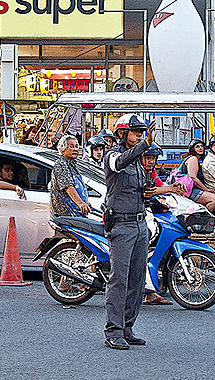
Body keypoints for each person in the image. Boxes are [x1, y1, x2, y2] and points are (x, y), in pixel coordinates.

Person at [102, 114, 154, 350]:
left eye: (142, 133)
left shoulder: (138, 161)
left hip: (139, 223)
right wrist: (145, 145)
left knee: (137, 279)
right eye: (136, 133)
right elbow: (118, 163)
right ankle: (113, 331)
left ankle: (127, 327)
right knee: (119, 280)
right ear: (122, 134)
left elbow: (138, 189)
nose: (140, 137)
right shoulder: (113, 155)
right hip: (121, 226)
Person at [140, 142, 177, 306]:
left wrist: (173, 189)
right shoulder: (138, 171)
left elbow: (161, 186)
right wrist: (171, 189)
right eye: (148, 157)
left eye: (153, 158)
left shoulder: (151, 172)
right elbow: (148, 191)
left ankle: (150, 290)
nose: (150, 161)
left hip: (146, 212)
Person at [169, 139, 215, 213]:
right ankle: (202, 219)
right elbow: (193, 177)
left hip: (191, 189)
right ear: (193, 149)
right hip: (188, 190)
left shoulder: (199, 159)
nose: (200, 148)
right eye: (197, 147)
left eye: (201, 146)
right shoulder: (193, 158)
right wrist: (206, 189)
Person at [49, 135, 91, 217]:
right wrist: (81, 203)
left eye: (76, 146)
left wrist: (85, 202)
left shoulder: (72, 164)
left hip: (76, 213)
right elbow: (68, 187)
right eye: (71, 146)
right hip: (66, 215)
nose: (75, 149)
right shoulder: (61, 164)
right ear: (63, 149)